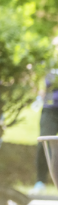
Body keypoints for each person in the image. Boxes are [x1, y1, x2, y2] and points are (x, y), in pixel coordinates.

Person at [32, 36, 58, 194]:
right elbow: (39, 83)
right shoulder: (48, 65)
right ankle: (40, 181)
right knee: (44, 143)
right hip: (49, 108)